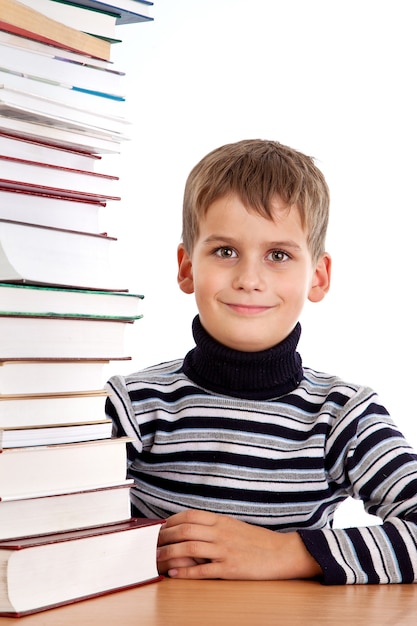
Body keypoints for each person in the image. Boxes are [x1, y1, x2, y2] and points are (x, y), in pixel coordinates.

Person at [106, 139, 417, 585]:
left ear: (318, 276)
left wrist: (287, 552)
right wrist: (133, 551)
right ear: (187, 267)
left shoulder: (343, 415)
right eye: (225, 251)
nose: (250, 279)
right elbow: (49, 527)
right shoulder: (131, 406)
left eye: (279, 255)